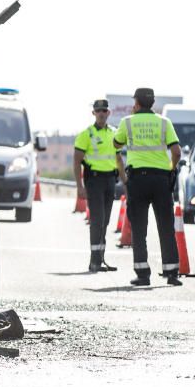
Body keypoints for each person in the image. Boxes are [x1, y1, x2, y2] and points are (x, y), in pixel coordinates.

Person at [113, 87, 183, 286]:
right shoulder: (164, 122)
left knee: (139, 227)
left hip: (138, 180)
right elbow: (176, 152)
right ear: (152, 103)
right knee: (166, 227)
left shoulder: (127, 122)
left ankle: (143, 274)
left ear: (136, 103)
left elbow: (117, 144)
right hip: (161, 180)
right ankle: (171, 273)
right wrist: (170, 168)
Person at [73, 99, 126, 273]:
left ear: (109, 113)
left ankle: (100, 259)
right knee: (97, 221)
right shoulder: (86, 134)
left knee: (105, 222)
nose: (101, 113)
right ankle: (94, 261)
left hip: (110, 181)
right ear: (94, 113)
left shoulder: (114, 133)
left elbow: (118, 158)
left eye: (104, 110)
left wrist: (125, 180)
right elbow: (76, 160)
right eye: (98, 111)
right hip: (94, 181)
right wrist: (79, 187)